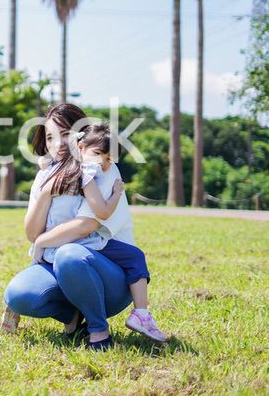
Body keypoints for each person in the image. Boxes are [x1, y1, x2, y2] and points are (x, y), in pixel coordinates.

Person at [0, 103, 133, 351]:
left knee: (69, 254)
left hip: (110, 277)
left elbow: (86, 225)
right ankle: (72, 315)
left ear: (82, 136)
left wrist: (41, 242)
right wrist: (47, 191)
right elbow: (31, 233)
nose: (57, 143)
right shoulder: (46, 174)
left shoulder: (102, 168)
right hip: (59, 269)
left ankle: (98, 330)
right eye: (50, 137)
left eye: (65, 134)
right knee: (19, 295)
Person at [31, 124, 167, 343]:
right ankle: (140, 314)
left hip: (74, 243)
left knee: (134, 256)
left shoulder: (72, 165)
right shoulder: (87, 173)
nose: (103, 162)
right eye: (98, 154)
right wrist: (115, 194)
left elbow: (48, 161)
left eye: (107, 158)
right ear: (81, 147)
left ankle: (140, 314)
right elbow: (102, 211)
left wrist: (45, 161)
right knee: (135, 257)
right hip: (89, 242)